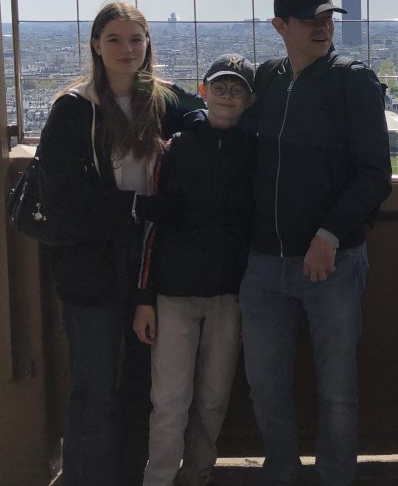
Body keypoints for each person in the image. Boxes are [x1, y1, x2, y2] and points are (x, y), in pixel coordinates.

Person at [37, 0, 202, 486]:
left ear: (148, 43)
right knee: (94, 384)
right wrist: (138, 208)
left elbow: (211, 124)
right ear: (95, 45)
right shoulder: (73, 109)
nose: (126, 49)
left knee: (138, 382)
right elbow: (62, 196)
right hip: (97, 258)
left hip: (150, 256)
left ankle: (127, 475)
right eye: (114, 39)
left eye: (135, 39)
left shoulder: (169, 103)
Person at [239, 0, 392, 486]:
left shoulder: (354, 81)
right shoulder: (266, 80)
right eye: (311, 19)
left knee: (337, 390)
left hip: (332, 260)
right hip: (265, 262)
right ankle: (282, 474)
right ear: (279, 26)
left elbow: (375, 174)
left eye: (329, 17)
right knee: (266, 386)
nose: (324, 26)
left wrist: (329, 235)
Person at [133, 54, 257, 486]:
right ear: (202, 91)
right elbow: (154, 227)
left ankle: (197, 477)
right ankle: (162, 480)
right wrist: (145, 298)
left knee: (212, 400)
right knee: (169, 401)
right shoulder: (176, 148)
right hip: (174, 293)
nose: (227, 95)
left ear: (249, 99)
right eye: (220, 87)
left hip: (228, 295)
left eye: (236, 89)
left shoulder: (253, 152)